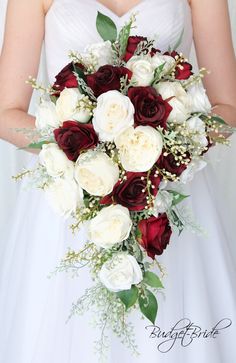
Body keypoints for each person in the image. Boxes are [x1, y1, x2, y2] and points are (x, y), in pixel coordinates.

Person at [0, 0, 235, 362]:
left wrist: (169, 139)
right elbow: (5, 113)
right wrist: (84, 144)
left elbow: (227, 107)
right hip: (70, 202)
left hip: (165, 195)